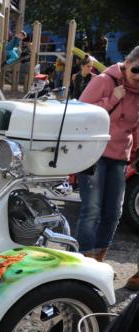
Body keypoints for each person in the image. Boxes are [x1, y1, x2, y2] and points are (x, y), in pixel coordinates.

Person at [76, 46, 139, 270]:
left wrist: (135, 152)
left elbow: (135, 126)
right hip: (94, 153)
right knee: (92, 210)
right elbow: (80, 113)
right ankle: (82, 264)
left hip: (120, 156)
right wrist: (112, 99)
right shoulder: (104, 81)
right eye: (136, 69)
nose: (138, 76)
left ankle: (97, 262)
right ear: (126, 63)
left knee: (114, 212)